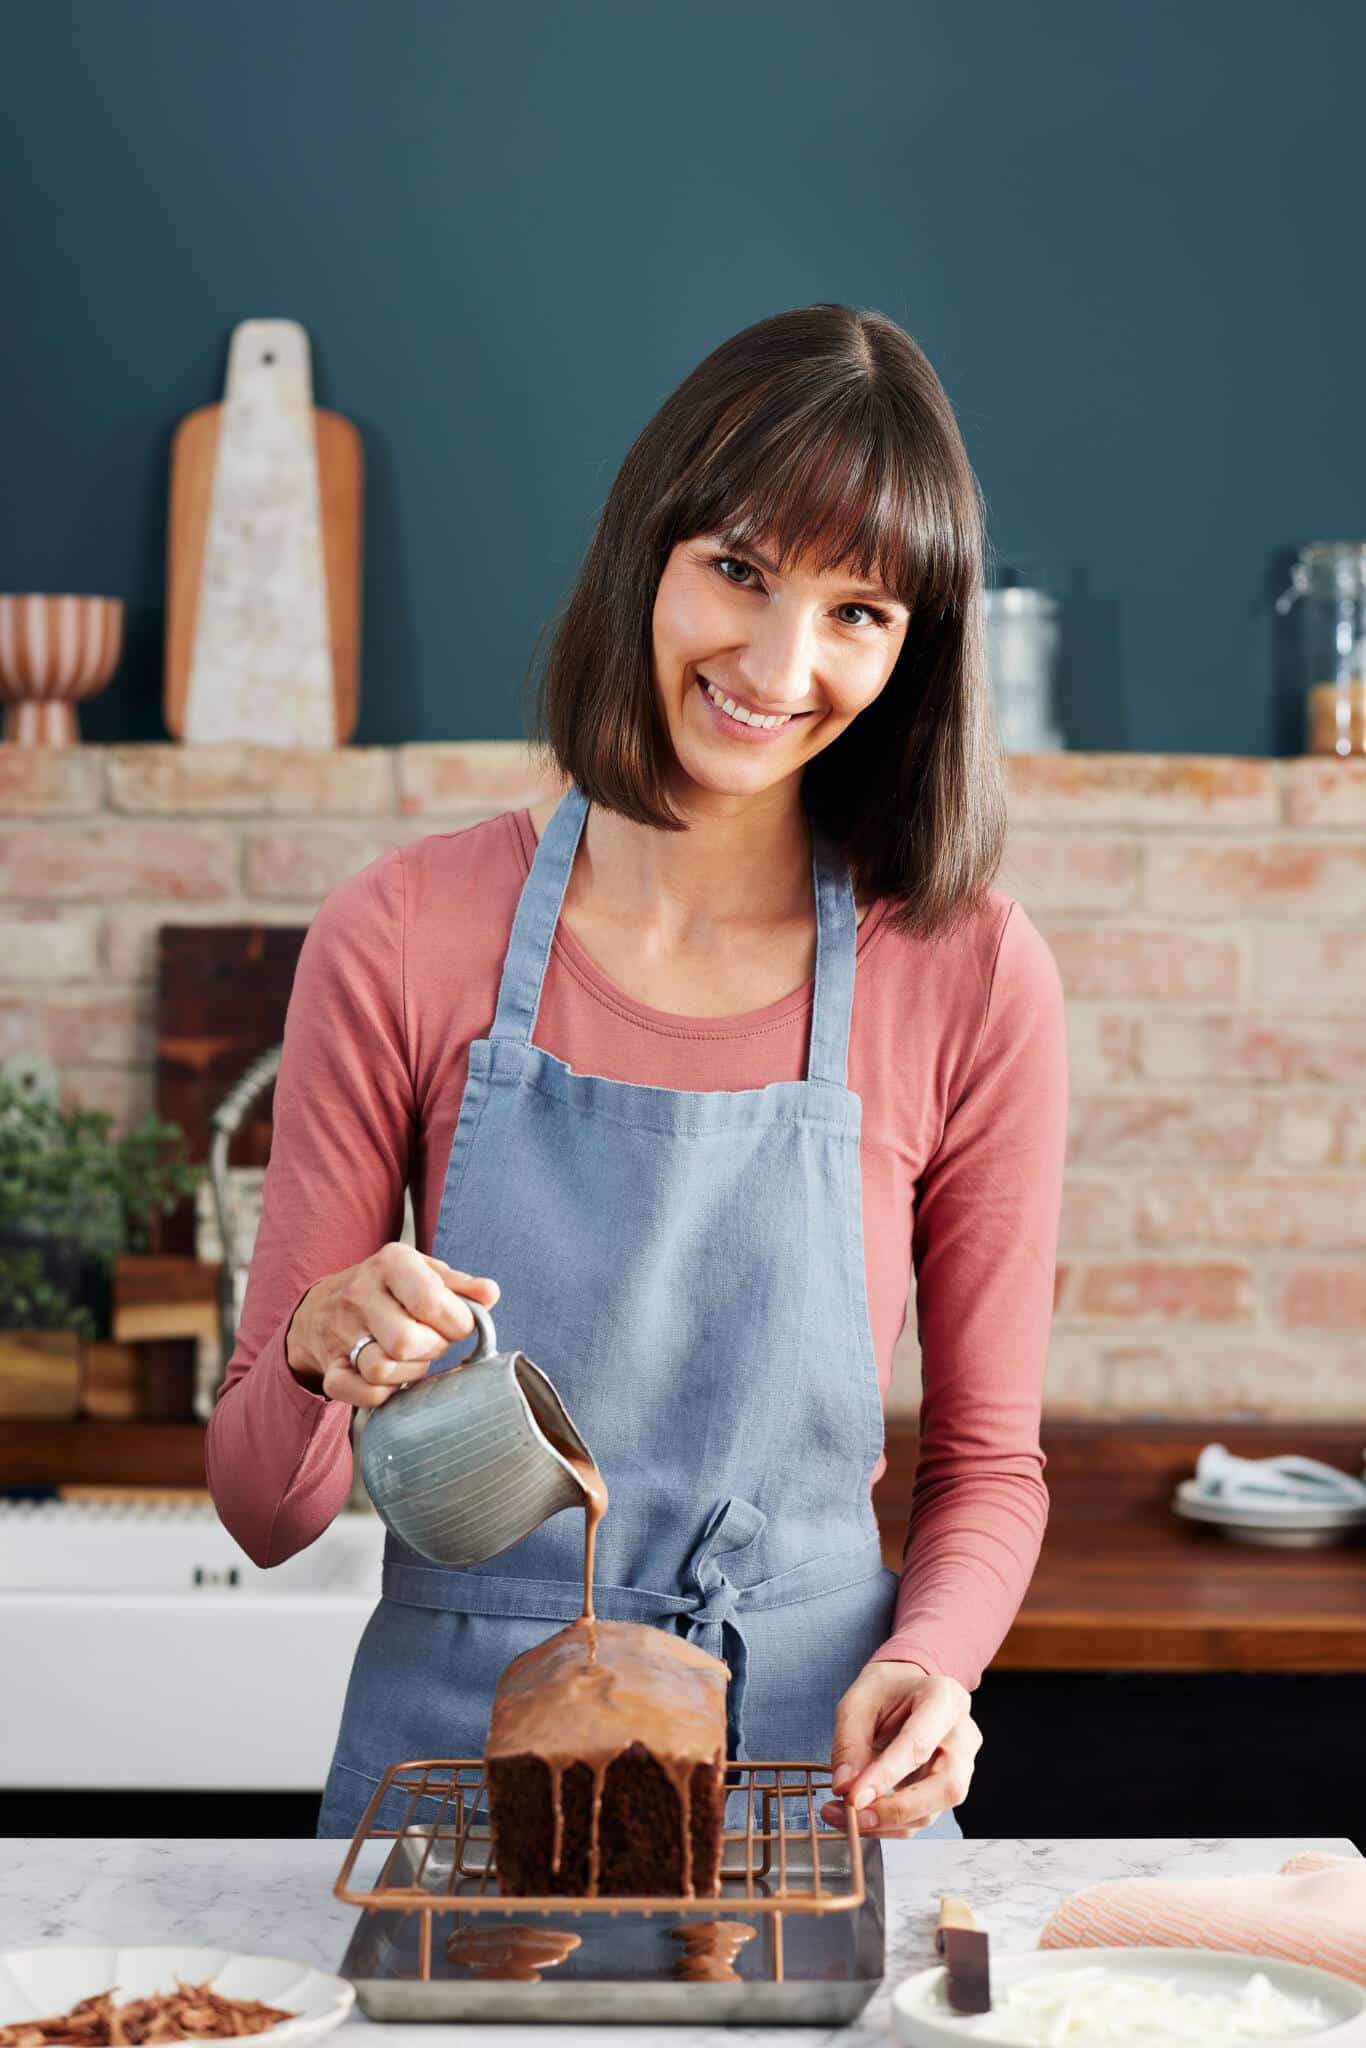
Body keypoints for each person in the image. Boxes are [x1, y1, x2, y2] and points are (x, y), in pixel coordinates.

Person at [206, 302, 1068, 1845]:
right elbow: (266, 1514)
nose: (776, 662)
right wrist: (315, 1351)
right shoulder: (403, 932)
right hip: (452, 1793)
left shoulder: (967, 969)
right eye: (737, 568)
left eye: (859, 610)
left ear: (914, 649)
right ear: (644, 553)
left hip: (810, 1784)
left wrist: (934, 1665)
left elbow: (990, 1465)